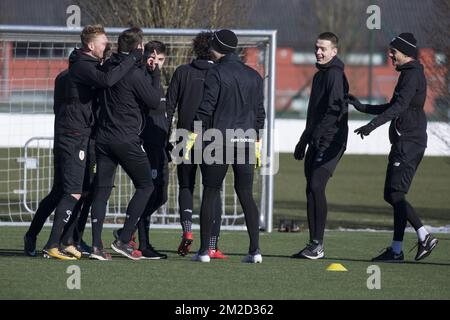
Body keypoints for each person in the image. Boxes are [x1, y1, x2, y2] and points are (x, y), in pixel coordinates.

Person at [41, 25, 140, 260]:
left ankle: (67, 241)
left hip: (83, 134)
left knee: (82, 190)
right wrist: (131, 59)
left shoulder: (89, 64)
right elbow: (107, 80)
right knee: (73, 192)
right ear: (90, 45)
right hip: (73, 134)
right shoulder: (83, 66)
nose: (107, 46)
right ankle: (51, 244)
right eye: (104, 43)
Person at [349, 32, 438, 262]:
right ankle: (396, 250)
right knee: (392, 194)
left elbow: (398, 108)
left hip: (409, 143)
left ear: (406, 53)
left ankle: (424, 235)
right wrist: (363, 108)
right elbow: (394, 105)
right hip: (404, 142)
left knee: (396, 194)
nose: (390, 55)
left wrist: (371, 126)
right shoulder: (409, 73)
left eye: (393, 51)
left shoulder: (412, 75)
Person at [193, 29, 266, 263]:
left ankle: (204, 251)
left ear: (217, 47)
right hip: (245, 140)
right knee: (246, 194)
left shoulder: (216, 73)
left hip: (219, 140)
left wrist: (193, 136)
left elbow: (206, 108)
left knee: (211, 193)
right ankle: (255, 251)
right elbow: (260, 113)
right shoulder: (254, 76)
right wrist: (256, 140)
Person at [90, 27, 161, 260]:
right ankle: (124, 238)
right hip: (126, 139)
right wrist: (155, 73)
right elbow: (153, 101)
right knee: (146, 186)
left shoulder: (108, 67)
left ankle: (96, 247)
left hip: (103, 138)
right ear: (137, 49)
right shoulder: (134, 74)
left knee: (101, 192)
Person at [166, 31, 227, 259]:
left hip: (184, 135)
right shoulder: (220, 73)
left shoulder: (182, 72)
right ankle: (212, 244)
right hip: (213, 137)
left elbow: (169, 106)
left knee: (185, 186)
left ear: (195, 49)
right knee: (213, 191)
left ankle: (188, 231)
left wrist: (167, 138)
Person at [291, 32, 349, 260]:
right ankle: (313, 244)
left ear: (334, 52)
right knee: (310, 189)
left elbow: (335, 110)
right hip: (316, 138)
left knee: (317, 185)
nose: (318, 52)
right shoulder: (318, 76)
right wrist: (303, 140)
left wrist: (317, 135)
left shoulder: (335, 74)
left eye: (323, 48)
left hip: (333, 140)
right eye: (316, 47)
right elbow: (314, 114)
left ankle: (318, 245)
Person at [113, 40, 169, 259]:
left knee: (160, 195)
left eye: (162, 60)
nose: (158, 63)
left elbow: (165, 110)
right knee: (149, 190)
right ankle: (139, 242)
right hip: (146, 143)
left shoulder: (157, 78)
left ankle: (128, 231)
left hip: (161, 144)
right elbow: (152, 105)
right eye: (156, 59)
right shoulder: (142, 77)